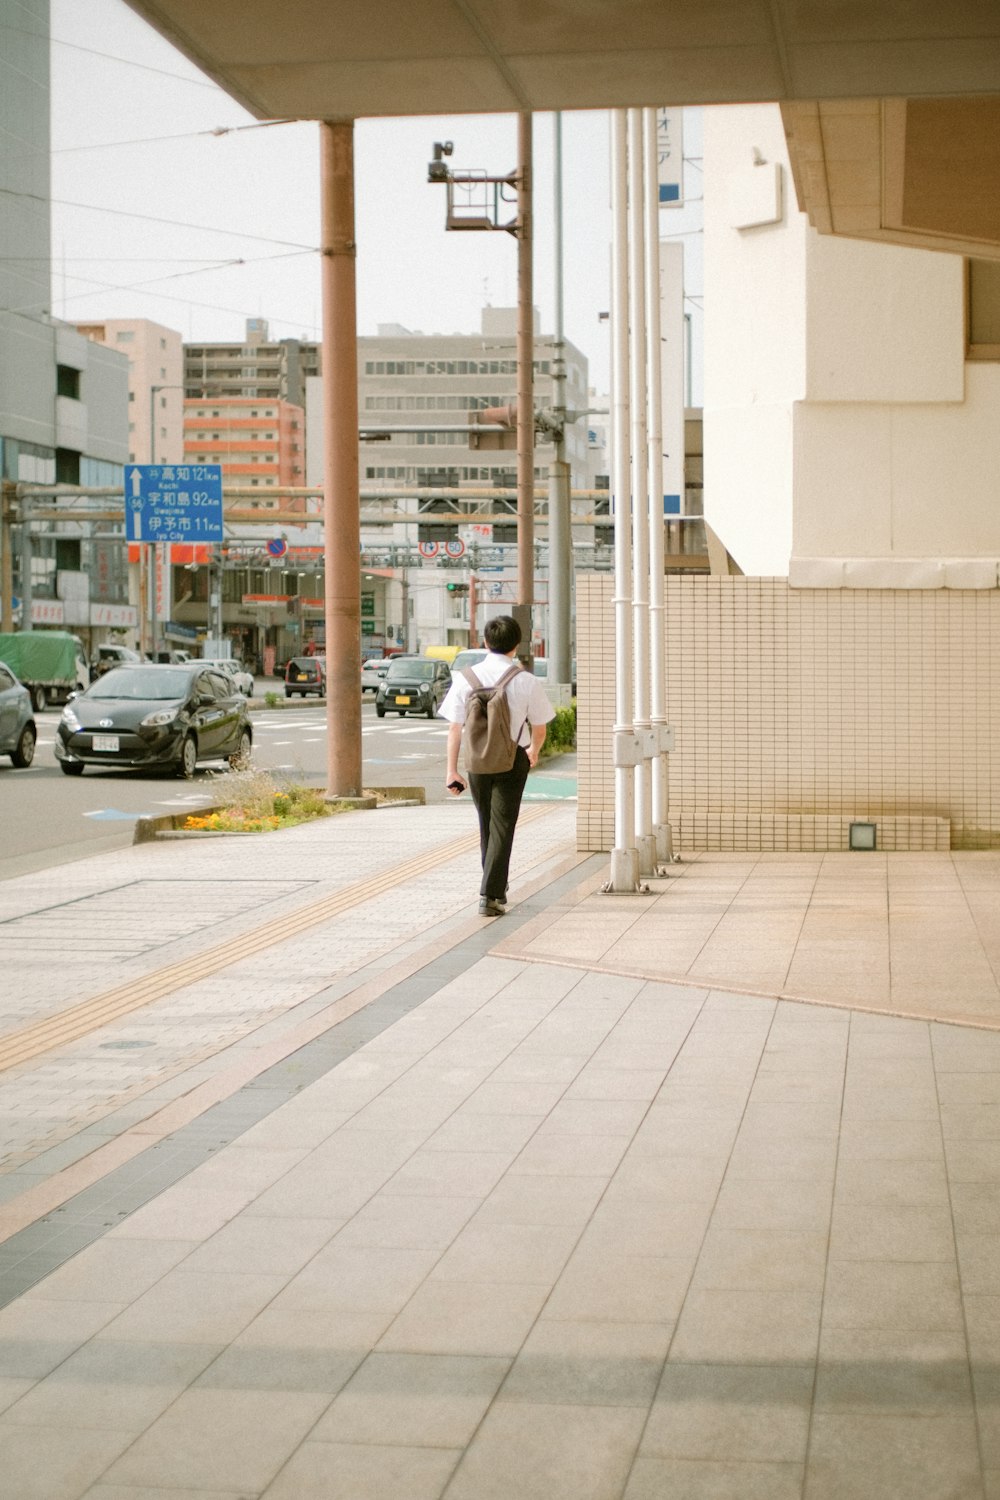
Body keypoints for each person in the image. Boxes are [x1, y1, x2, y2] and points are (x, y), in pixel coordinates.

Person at [439, 614, 555, 916]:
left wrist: (452, 771)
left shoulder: (466, 678)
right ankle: (490, 895)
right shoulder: (526, 680)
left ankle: (496, 888)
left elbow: (455, 728)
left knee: (487, 825)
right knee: (503, 826)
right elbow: (540, 727)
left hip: (477, 761)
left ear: (485, 643)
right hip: (512, 758)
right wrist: (534, 750)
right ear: (516, 645)